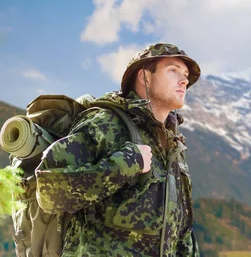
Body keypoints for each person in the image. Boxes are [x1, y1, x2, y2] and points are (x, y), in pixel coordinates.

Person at [34, 43, 201, 256]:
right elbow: (49, 193)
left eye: (186, 75)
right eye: (173, 70)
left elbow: (182, 230)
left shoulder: (173, 145)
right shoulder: (106, 125)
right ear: (144, 77)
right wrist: (123, 166)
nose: (184, 80)